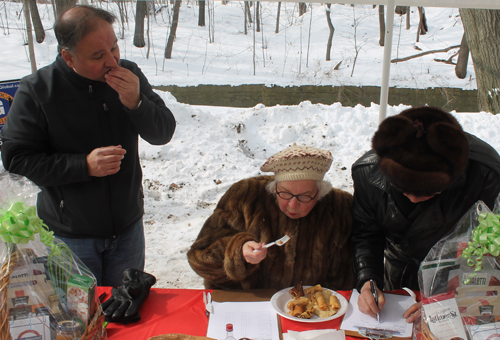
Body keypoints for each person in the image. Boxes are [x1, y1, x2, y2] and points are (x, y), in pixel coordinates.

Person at [0, 5, 176, 287]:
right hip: (69, 236)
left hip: (128, 227)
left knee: (126, 314)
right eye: (98, 55)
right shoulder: (38, 90)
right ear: (68, 57)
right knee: (78, 320)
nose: (112, 61)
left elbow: (163, 132)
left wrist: (136, 103)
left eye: (114, 47)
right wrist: (83, 166)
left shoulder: (128, 73)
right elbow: (17, 158)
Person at [351, 106, 500, 323]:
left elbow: (490, 249)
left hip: (461, 277)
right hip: (399, 271)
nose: (413, 200)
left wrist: (454, 298)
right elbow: (366, 234)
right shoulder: (368, 173)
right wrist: (368, 280)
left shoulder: (484, 174)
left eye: (430, 193)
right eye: (404, 191)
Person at [187, 144, 355, 290]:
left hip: (311, 312)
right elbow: (199, 257)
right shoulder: (245, 197)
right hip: (245, 305)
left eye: (305, 196)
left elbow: (349, 274)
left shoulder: (340, 208)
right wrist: (238, 252)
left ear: (320, 193)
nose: (292, 205)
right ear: (274, 187)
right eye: (285, 194)